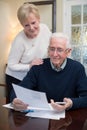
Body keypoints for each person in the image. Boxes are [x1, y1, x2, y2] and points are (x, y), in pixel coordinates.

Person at [11, 32, 87, 112]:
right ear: (48, 49)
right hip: (41, 117)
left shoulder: (78, 68)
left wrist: (71, 103)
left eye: (59, 50)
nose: (54, 54)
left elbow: (85, 98)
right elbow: (19, 89)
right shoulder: (38, 66)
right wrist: (15, 99)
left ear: (68, 52)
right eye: (52, 49)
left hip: (69, 116)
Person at [5, 3, 51, 102]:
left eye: (33, 22)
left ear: (39, 19)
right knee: (17, 107)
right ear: (22, 25)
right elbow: (11, 65)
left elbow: (50, 45)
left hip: (33, 75)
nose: (31, 27)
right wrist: (29, 66)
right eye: (26, 25)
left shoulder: (45, 29)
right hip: (16, 78)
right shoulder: (19, 40)